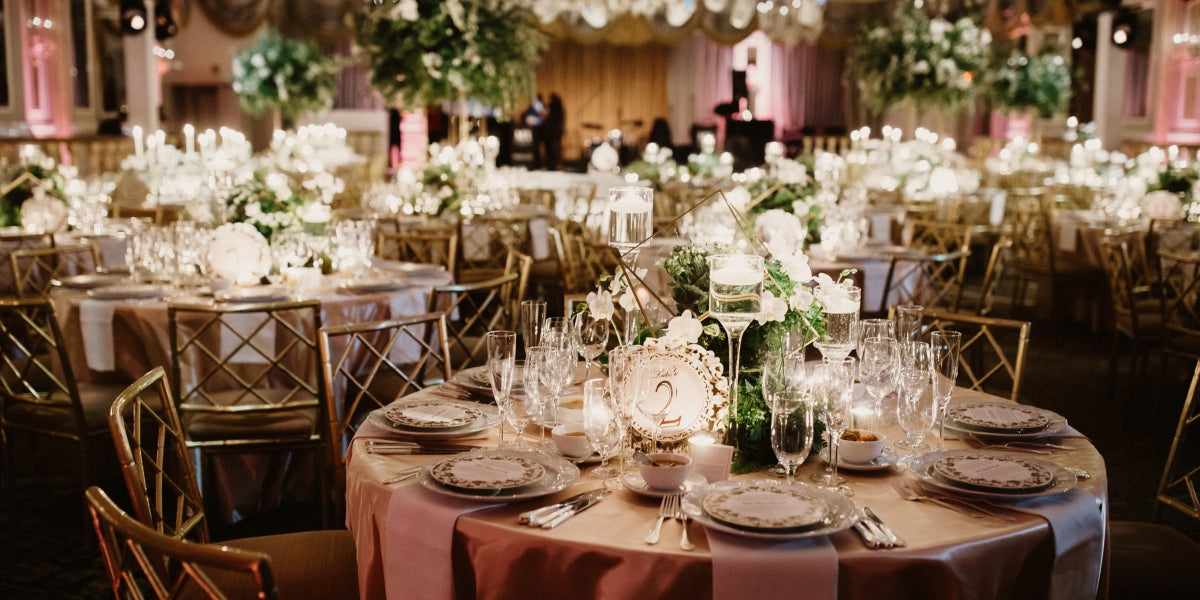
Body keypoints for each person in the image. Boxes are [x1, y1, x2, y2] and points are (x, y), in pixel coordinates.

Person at [542, 93, 564, 170]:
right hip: (557, 132)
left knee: (551, 150)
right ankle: (554, 165)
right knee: (555, 149)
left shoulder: (552, 107)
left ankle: (551, 165)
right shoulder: (560, 108)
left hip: (551, 133)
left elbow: (548, 119)